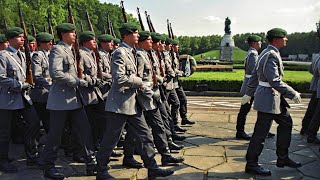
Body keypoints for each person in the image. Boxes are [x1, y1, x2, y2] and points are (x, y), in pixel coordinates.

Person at [95, 23, 174, 180]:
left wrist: (142, 86)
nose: (138, 35)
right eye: (135, 33)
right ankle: (101, 170)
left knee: (145, 136)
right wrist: (140, 82)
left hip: (133, 103)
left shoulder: (131, 52)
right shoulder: (119, 53)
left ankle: (152, 167)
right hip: (119, 104)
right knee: (111, 139)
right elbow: (119, 78)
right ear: (126, 35)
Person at [38, 23, 96, 179]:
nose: (74, 35)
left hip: (75, 99)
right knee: (56, 135)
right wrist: (76, 81)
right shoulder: (58, 49)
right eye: (71, 33)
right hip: (61, 100)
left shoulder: (73, 51)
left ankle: (91, 163)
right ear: (63, 34)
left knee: (84, 131)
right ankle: (48, 166)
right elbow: (55, 73)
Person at [243, 28, 302, 176]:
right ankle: (251, 164)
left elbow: (255, 76)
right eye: (284, 37)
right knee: (260, 133)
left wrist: (249, 93)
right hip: (268, 98)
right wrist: (292, 93)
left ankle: (282, 158)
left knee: (286, 123)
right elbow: (274, 81)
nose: (286, 39)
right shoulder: (270, 55)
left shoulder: (268, 52)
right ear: (276, 39)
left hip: (273, 98)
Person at [0, 27, 40, 173]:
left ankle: (32, 156)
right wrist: (20, 85)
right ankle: (3, 161)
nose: (23, 39)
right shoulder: (3, 56)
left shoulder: (22, 55)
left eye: (23, 37)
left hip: (24, 97)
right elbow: (1, 78)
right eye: (19, 37)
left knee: (34, 123)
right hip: (8, 98)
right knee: (5, 132)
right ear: (10, 39)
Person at [237, 35, 275, 140]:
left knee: (255, 109)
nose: (260, 43)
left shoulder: (251, 53)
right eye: (259, 42)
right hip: (252, 85)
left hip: (250, 84)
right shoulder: (253, 54)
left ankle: (262, 130)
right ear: (254, 43)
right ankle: (240, 131)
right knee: (245, 109)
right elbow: (256, 71)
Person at [30, 32, 53, 133]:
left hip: (50, 91)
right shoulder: (37, 55)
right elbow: (37, 75)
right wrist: (49, 84)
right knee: (45, 119)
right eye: (47, 42)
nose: (50, 44)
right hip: (42, 93)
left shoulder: (50, 54)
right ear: (41, 43)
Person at [172, 39, 195, 125]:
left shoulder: (174, 55)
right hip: (171, 83)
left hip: (176, 82)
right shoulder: (169, 55)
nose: (178, 47)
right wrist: (180, 72)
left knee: (183, 100)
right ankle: (174, 123)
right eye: (176, 45)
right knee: (175, 103)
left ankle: (184, 118)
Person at [300, 54, 320, 143]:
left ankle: (305, 128)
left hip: (316, 84)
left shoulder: (317, 56)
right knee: (317, 113)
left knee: (312, 108)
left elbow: (311, 69)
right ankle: (311, 134)